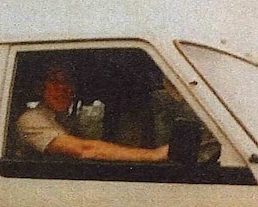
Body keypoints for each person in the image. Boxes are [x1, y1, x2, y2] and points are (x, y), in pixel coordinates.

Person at [16, 67, 169, 161]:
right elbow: (86, 150)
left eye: (68, 82)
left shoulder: (65, 120)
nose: (63, 88)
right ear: (39, 88)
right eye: (54, 81)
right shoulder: (31, 119)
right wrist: (154, 155)